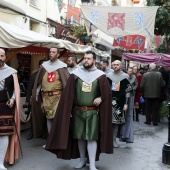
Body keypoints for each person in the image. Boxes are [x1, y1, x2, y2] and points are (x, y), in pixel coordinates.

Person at [46, 50, 113, 170]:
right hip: (77, 111)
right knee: (80, 137)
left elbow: (107, 94)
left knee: (91, 137)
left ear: (94, 60)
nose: (86, 60)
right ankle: (82, 160)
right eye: (85, 58)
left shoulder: (100, 76)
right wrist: (68, 111)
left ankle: (92, 164)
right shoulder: (76, 74)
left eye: (88, 58)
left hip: (93, 113)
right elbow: (68, 94)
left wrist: (101, 98)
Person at [32, 47, 69, 139]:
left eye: (53, 52)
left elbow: (66, 84)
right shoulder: (44, 66)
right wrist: (36, 94)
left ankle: (58, 140)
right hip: (46, 97)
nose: (51, 53)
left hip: (58, 97)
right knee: (48, 118)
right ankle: (50, 139)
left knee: (57, 119)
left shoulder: (62, 67)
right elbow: (39, 82)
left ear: (58, 54)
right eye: (50, 52)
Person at [0, 48, 20, 168]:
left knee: (3, 135)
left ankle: (0, 162)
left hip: (4, 107)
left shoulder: (11, 72)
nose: (0, 58)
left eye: (2, 56)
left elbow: (15, 90)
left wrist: (12, 99)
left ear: (5, 57)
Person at [107, 60, 132, 148]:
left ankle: (113, 140)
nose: (115, 66)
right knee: (108, 122)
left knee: (116, 122)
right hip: (109, 101)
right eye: (113, 65)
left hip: (120, 102)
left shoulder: (125, 76)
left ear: (121, 66)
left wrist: (126, 103)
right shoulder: (108, 75)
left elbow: (127, 91)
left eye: (117, 65)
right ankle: (107, 141)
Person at [25, 59, 46, 140]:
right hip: (34, 98)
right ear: (40, 65)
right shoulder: (34, 75)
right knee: (33, 115)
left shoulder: (48, 74)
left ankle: (43, 133)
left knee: (44, 116)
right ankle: (32, 132)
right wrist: (27, 99)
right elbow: (29, 88)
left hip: (44, 98)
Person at [120, 67, 138, 143]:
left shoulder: (134, 77)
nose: (130, 72)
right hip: (123, 97)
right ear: (127, 71)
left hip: (131, 97)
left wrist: (131, 89)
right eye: (129, 71)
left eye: (131, 71)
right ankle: (121, 135)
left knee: (129, 115)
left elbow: (136, 86)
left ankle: (127, 135)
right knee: (122, 115)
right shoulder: (124, 77)